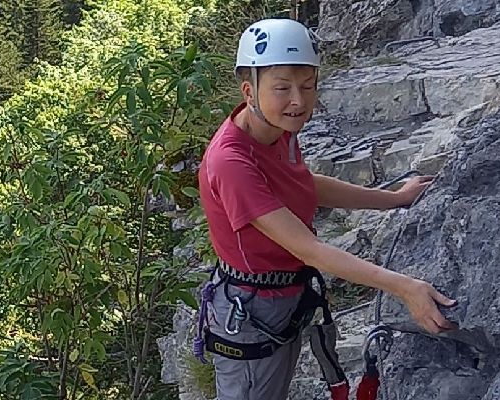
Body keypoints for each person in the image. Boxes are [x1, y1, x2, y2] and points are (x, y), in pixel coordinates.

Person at [192, 18, 458, 400]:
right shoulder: (231, 162)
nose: (298, 101)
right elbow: (309, 248)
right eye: (282, 88)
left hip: (278, 298)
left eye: (308, 86)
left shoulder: (277, 129)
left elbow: (303, 185)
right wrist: (405, 287)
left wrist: (394, 199)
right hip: (252, 312)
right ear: (249, 91)